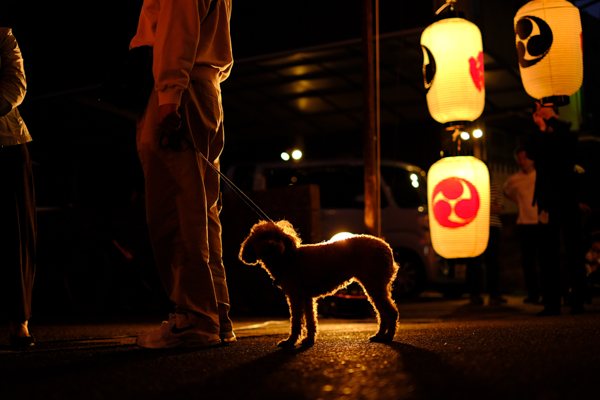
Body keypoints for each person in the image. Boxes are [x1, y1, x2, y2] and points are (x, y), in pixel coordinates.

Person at [131, 0, 236, 348]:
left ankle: (194, 318)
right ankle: (216, 315)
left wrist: (169, 94)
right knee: (202, 210)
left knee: (176, 207)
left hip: (182, 88)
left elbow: (178, 28)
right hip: (204, 86)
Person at [527, 102, 588, 316]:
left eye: (545, 110)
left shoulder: (567, 134)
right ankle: (552, 302)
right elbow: (532, 154)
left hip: (569, 199)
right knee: (547, 254)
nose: (541, 113)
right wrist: (542, 128)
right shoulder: (538, 136)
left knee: (574, 251)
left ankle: (578, 300)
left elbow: (568, 147)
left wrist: (552, 119)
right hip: (547, 202)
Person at [0, 28, 36, 349]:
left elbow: (16, 83)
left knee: (16, 233)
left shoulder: (3, 34)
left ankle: (18, 319)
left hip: (7, 143)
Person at [504, 145, 542, 304]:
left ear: (532, 159)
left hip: (542, 221)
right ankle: (533, 293)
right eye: (519, 159)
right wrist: (519, 201)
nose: (521, 161)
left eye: (524, 158)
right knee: (528, 260)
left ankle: (548, 293)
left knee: (545, 259)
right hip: (525, 222)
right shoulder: (515, 179)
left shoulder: (540, 175)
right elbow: (506, 191)